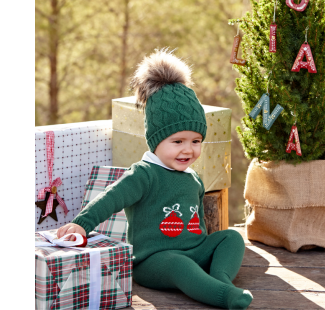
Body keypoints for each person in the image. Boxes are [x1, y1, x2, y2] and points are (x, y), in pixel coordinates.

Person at [57, 48, 253, 310]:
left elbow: (199, 223)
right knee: (178, 265)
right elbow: (110, 198)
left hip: (194, 252)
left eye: (196, 141)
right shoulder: (144, 174)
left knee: (231, 238)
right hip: (153, 261)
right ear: (156, 141)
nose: (188, 149)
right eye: (177, 141)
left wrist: (206, 249)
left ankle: (219, 278)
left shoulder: (193, 177)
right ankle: (223, 296)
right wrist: (82, 223)